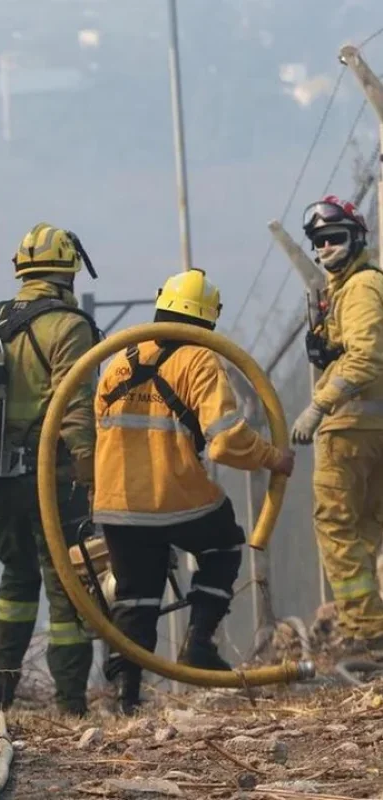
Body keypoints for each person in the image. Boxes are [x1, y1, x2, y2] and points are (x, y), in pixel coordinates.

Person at [92, 268, 295, 714]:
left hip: (116, 502)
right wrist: (271, 457)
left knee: (135, 595)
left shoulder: (121, 356)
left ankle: (127, 700)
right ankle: (199, 643)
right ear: (209, 317)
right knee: (224, 546)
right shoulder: (200, 360)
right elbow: (225, 439)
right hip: (175, 495)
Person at [0, 222, 98, 715]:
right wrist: (92, 474)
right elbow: (74, 408)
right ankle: (70, 704)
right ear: (69, 270)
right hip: (53, 478)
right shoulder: (68, 326)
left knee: (16, 580)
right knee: (67, 587)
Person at [291, 195, 383, 655]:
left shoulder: (363, 287)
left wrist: (318, 406)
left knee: (336, 526)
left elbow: (366, 356)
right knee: (365, 530)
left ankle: (366, 633)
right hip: (366, 430)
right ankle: (371, 629)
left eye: (334, 239)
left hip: (350, 428)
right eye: (319, 242)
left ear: (356, 239)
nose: (325, 249)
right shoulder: (348, 290)